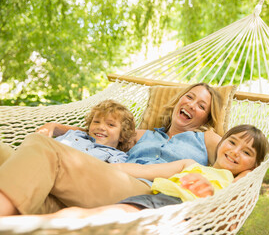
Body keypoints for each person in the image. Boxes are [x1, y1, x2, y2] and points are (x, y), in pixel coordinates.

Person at [0, 83, 224, 216]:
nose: (192, 105)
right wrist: (55, 127)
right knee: (4, 153)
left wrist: (239, 190)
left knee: (44, 150)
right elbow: (99, 132)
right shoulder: (143, 134)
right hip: (107, 181)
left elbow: (238, 157)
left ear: (207, 116)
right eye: (189, 97)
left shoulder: (208, 139)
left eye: (201, 106)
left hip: (145, 194)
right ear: (178, 101)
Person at [42, 124, 269, 218]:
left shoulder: (239, 179)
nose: (236, 152)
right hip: (155, 198)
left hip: (182, 211)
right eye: (233, 143)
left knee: (106, 217)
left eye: (247, 152)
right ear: (223, 143)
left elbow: (242, 186)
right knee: (96, 215)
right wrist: (101, 166)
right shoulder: (191, 164)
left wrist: (212, 189)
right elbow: (149, 169)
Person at [54, 99, 136, 163]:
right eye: (96, 122)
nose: (101, 127)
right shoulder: (75, 135)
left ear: (122, 136)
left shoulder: (118, 156)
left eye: (110, 125)